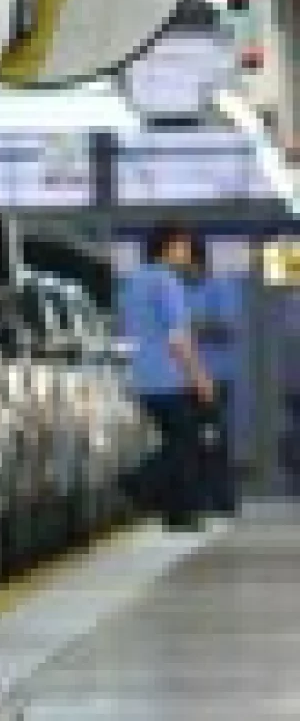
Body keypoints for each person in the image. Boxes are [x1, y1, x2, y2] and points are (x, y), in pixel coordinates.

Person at [119, 223, 218, 531]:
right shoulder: (166, 282)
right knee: (184, 443)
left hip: (139, 376)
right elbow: (178, 339)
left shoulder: (133, 282)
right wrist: (200, 377)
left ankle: (178, 515)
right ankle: (139, 481)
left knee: (175, 441)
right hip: (167, 377)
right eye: (184, 247)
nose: (187, 253)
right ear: (169, 247)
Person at [183, 241, 241, 517]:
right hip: (185, 378)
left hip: (215, 377)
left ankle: (221, 497)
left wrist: (197, 326)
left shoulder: (219, 288)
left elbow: (227, 327)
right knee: (191, 440)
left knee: (214, 437)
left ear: (199, 263)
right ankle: (196, 497)